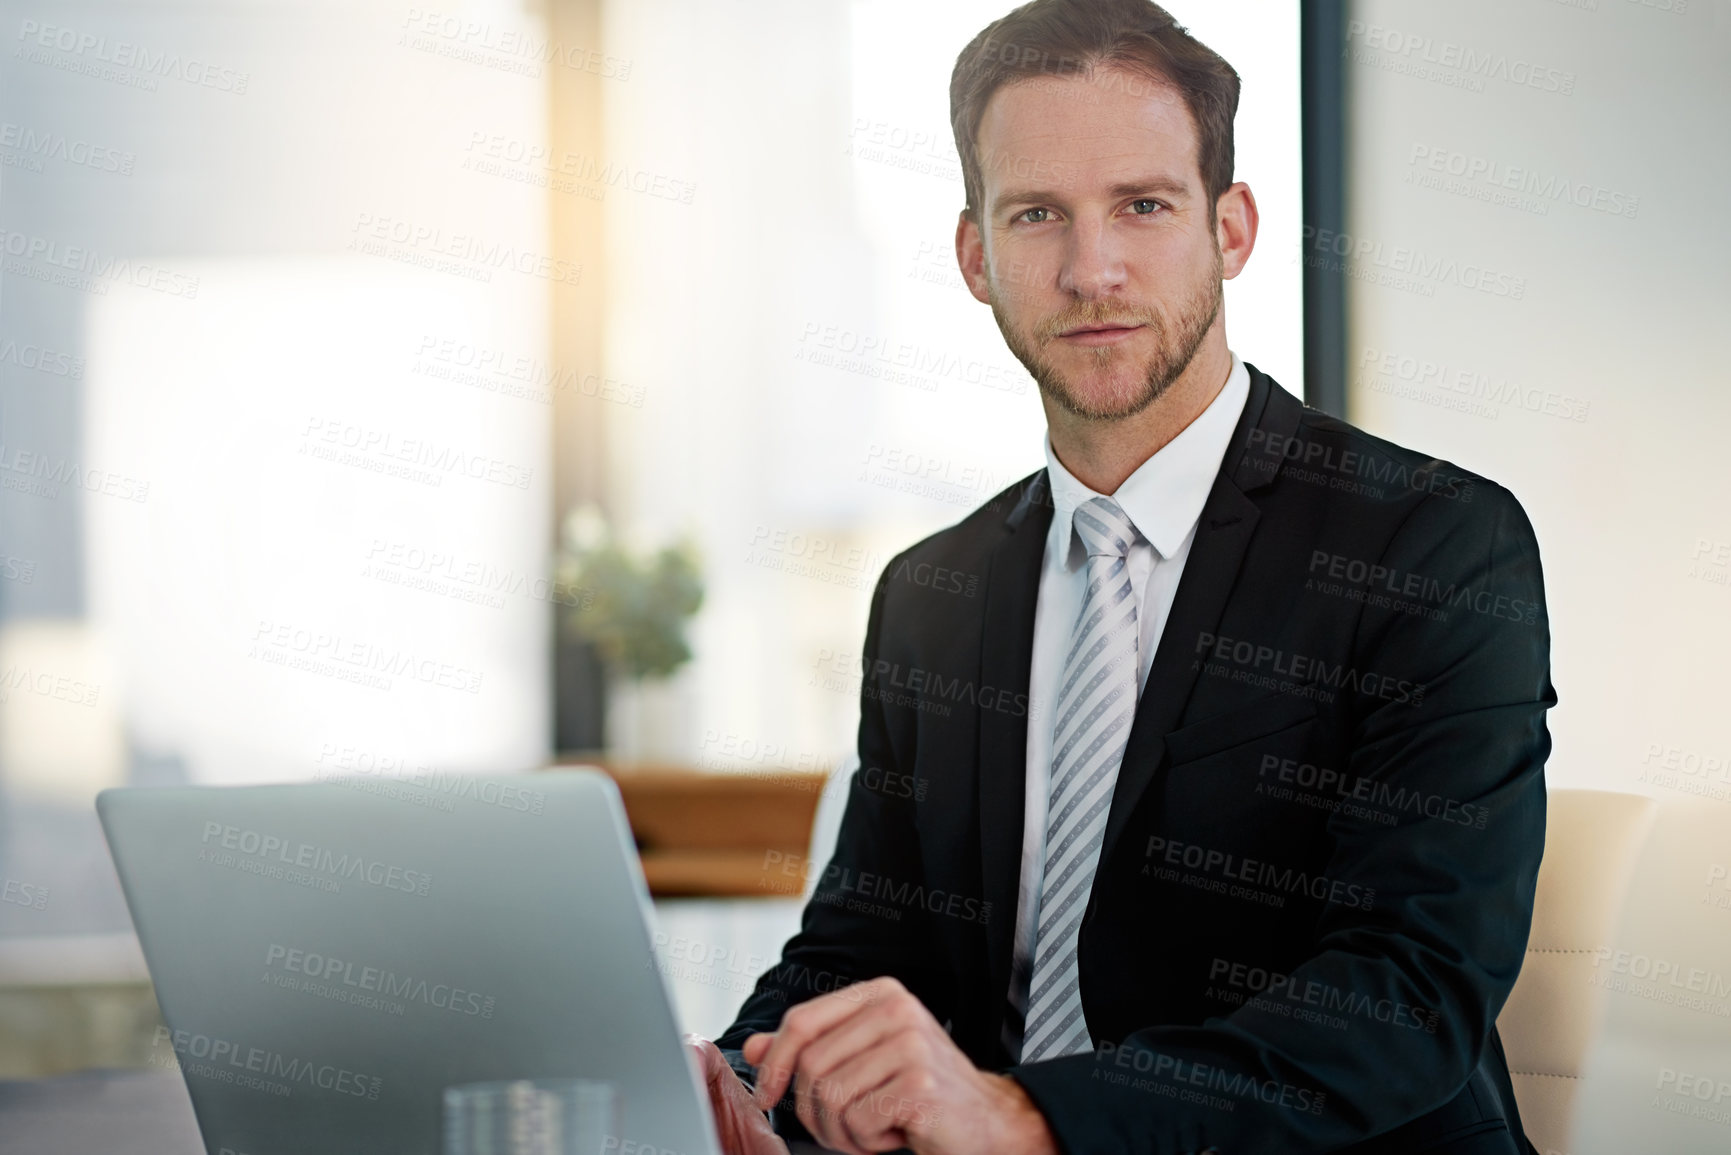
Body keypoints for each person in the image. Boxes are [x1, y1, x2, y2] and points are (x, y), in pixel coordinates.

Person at [689, 2, 1553, 1152]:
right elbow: (864, 946)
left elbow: (1404, 995)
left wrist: (1026, 1114)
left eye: (1143, 206)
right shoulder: (929, 593)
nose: (1092, 270)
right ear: (974, 256)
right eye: (1037, 214)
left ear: (1232, 229)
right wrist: (735, 1088)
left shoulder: (1433, 546)